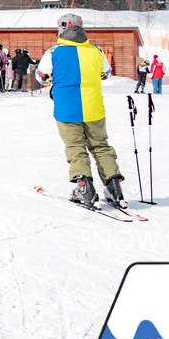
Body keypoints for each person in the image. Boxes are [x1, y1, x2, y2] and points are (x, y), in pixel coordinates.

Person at [35, 13, 125, 207]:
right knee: (101, 145)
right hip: (93, 106)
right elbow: (105, 73)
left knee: (75, 147)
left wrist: (56, 80)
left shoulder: (53, 52)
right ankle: (114, 187)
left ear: (61, 28)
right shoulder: (96, 50)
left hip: (67, 107)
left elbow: (42, 76)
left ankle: (84, 187)